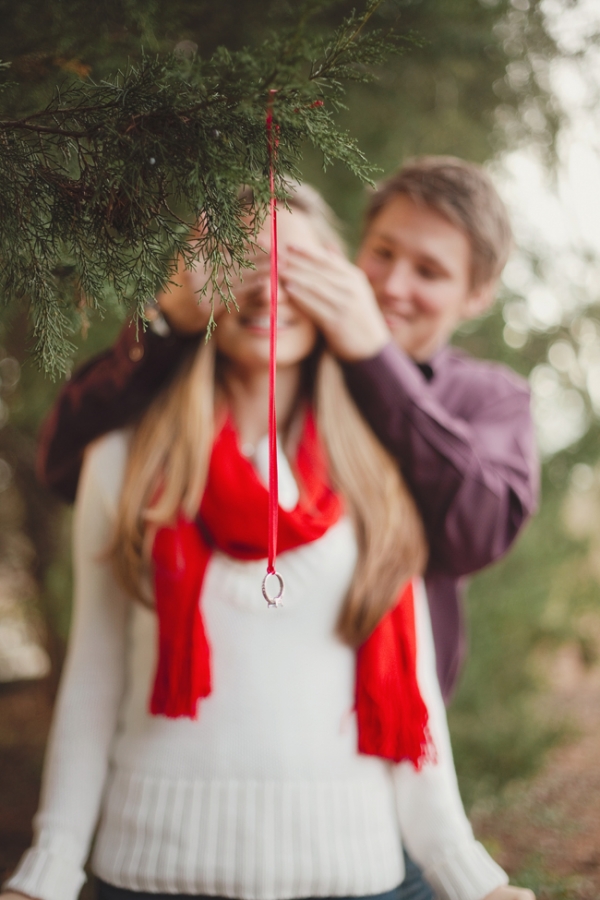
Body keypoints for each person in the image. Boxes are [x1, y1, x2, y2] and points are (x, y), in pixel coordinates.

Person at [2, 188, 533, 900]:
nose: (265, 284)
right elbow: (93, 680)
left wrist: (469, 874)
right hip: (148, 869)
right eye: (236, 262)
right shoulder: (124, 456)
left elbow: (413, 703)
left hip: (362, 871)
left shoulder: (384, 460)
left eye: (297, 266)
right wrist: (48, 868)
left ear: (336, 290)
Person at [35, 157, 538, 707]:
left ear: (477, 295)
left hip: (380, 726)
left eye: (430, 272)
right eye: (383, 253)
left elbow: (478, 534)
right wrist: (169, 322)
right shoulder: (277, 355)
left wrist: (376, 362)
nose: (393, 286)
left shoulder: (489, 399)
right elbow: (66, 465)